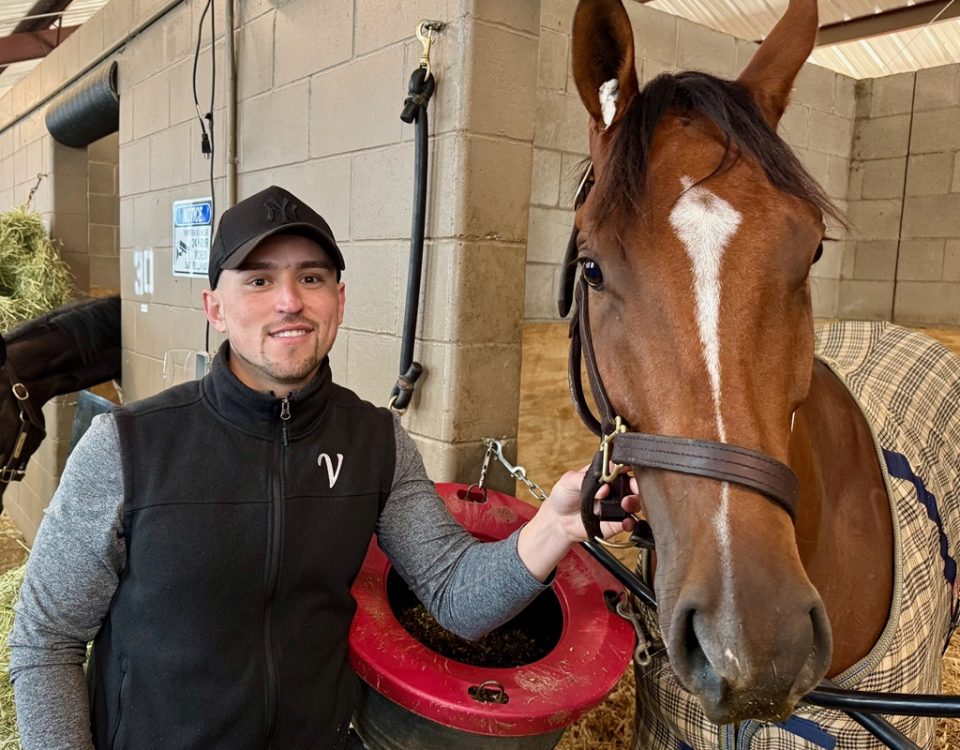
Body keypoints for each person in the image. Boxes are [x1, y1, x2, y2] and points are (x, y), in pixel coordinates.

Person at [9, 185, 636, 750]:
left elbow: (454, 595)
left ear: (338, 301)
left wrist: (558, 524)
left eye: (311, 279)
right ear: (215, 307)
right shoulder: (127, 447)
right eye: (258, 280)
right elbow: (46, 641)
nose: (289, 301)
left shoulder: (376, 442)